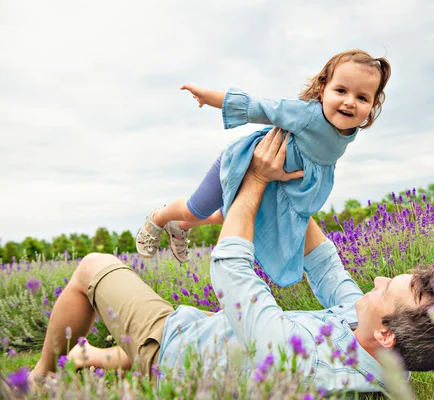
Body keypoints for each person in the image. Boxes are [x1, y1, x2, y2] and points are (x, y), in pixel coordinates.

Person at [31, 128, 434, 394]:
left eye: (388, 288)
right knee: (131, 351)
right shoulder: (377, 343)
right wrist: (298, 188)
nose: (380, 279)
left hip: (179, 350)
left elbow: (233, 275)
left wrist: (255, 180)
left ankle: (39, 377)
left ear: (387, 334)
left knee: (92, 267)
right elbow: (326, 265)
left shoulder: (311, 369)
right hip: (212, 336)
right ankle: (90, 356)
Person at [136, 49, 392, 287]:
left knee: (233, 215)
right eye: (341, 91)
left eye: (361, 97)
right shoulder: (306, 114)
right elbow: (258, 107)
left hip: (276, 182)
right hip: (242, 164)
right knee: (197, 207)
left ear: (373, 104)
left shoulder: (348, 129)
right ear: (323, 88)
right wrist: (209, 97)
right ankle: (160, 217)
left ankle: (181, 227)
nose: (349, 102)